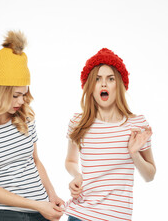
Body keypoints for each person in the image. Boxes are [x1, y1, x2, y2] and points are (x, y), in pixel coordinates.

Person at [0, 31, 64, 221]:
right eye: (15, 95)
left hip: (42, 210)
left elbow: (35, 161)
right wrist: (37, 205)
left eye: (24, 94)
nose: (21, 101)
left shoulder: (25, 117)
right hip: (4, 214)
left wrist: (52, 195)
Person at [64, 48, 156, 221]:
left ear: (119, 85)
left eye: (110, 79)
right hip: (80, 215)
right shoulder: (78, 122)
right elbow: (70, 161)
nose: (103, 84)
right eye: (97, 79)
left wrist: (134, 154)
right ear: (90, 86)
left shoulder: (136, 125)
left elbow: (150, 175)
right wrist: (77, 175)